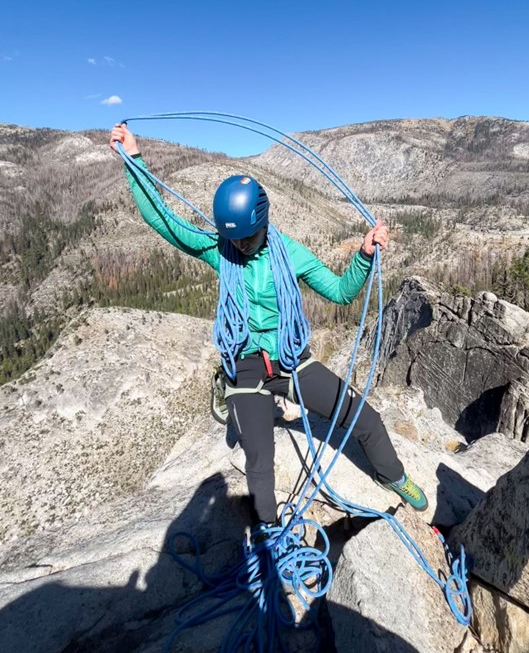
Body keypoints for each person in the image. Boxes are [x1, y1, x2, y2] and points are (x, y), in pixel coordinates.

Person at [109, 124, 428, 528]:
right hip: (245, 364)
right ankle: (269, 539)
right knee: (260, 461)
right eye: (235, 240)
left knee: (365, 419)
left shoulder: (290, 253)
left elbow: (341, 291)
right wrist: (133, 158)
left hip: (291, 358)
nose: (239, 247)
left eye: (247, 238)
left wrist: (364, 255)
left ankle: (394, 476)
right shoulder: (220, 249)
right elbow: (165, 222)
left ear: (263, 223)